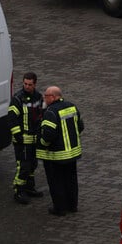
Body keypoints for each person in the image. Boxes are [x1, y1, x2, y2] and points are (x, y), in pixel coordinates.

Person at [37, 85, 85, 216]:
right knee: (71, 180)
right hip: (72, 153)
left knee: (56, 182)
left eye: (46, 96)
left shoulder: (50, 112)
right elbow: (80, 126)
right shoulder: (71, 106)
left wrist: (41, 143)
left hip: (56, 155)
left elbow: (48, 134)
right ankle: (72, 205)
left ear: (52, 97)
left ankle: (59, 208)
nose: (44, 99)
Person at [8, 72, 44, 205]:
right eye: (25, 84)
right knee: (23, 166)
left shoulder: (39, 97)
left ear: (35, 84)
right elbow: (12, 118)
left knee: (33, 164)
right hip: (22, 140)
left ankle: (29, 188)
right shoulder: (18, 99)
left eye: (30, 84)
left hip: (34, 139)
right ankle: (19, 191)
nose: (27, 86)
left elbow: (42, 114)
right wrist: (18, 136)